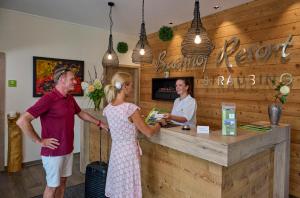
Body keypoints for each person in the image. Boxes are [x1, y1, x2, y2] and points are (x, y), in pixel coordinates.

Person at [17, 65, 108, 198]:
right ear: (62, 80)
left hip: (67, 149)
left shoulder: (69, 98)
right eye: (72, 79)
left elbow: (80, 113)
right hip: (53, 153)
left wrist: (99, 122)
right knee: (52, 187)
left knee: (63, 181)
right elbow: (22, 120)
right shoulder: (48, 98)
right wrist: (39, 140)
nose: (75, 82)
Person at [103, 72, 165, 198]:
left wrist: (138, 119)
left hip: (116, 152)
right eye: (131, 85)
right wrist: (160, 124)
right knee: (129, 186)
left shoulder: (108, 108)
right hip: (128, 153)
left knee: (119, 185)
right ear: (125, 86)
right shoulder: (130, 108)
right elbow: (148, 132)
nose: (132, 88)